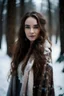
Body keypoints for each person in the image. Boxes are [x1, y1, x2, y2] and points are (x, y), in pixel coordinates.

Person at [7, 11, 55, 96]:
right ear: (23, 29)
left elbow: (47, 89)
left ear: (41, 29)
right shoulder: (20, 49)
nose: (31, 31)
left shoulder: (44, 54)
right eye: (27, 27)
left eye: (36, 27)